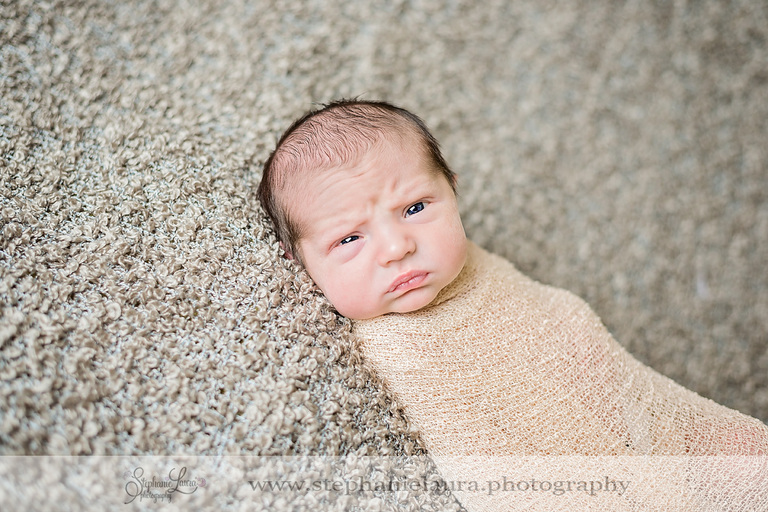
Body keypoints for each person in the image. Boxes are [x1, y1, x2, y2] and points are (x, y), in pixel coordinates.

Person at [258, 99, 768, 510]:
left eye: (414, 207)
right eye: (349, 239)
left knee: (742, 454)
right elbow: (490, 472)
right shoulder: (393, 350)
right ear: (298, 261)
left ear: (452, 190)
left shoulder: (469, 265)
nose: (397, 247)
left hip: (645, 418)